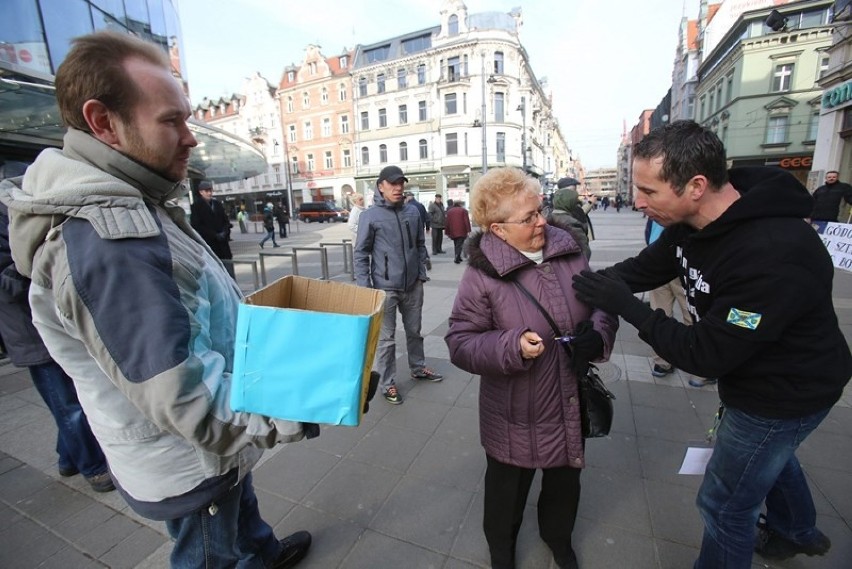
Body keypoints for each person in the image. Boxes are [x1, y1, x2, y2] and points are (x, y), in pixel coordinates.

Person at [0, 31, 313, 568]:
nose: (191, 138)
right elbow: (185, 398)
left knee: (241, 509)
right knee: (209, 552)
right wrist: (295, 408)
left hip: (214, 448)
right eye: (171, 121)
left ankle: (262, 552)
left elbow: (192, 313)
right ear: (103, 123)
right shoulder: (109, 240)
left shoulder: (137, 198)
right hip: (188, 459)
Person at [571, 120, 851, 568]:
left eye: (649, 191)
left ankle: (787, 531)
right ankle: (795, 530)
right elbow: (643, 268)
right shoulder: (690, 223)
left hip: (783, 394)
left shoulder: (773, 251)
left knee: (723, 505)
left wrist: (630, 308)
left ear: (696, 185)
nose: (638, 203)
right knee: (770, 458)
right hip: (756, 381)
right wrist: (571, 285)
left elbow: (705, 354)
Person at [445, 167, 618, 569]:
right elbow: (460, 341)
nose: (541, 221)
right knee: (506, 494)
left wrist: (597, 334)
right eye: (528, 218)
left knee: (564, 486)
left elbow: (601, 304)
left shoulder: (569, 249)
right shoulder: (481, 273)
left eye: (539, 211)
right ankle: (501, 551)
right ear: (498, 229)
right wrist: (511, 345)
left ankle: (559, 541)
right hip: (513, 410)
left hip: (567, 399)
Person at [0, 200, 114, 493]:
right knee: (67, 403)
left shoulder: (22, 219)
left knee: (70, 398)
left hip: (46, 327)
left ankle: (68, 458)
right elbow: (9, 284)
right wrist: (40, 265)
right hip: (31, 334)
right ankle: (94, 467)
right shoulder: (16, 228)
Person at [354, 165, 443, 405]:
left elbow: (419, 244)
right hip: (385, 287)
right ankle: (387, 382)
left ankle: (418, 367)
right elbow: (361, 254)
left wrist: (421, 273)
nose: (398, 188)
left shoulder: (412, 212)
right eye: (392, 184)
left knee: (415, 331)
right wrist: (367, 288)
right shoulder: (369, 216)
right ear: (381, 186)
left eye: (401, 183)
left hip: (413, 284)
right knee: (386, 340)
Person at [190, 180, 234, 278]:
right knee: (216, 273)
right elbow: (197, 226)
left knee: (229, 271)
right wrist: (214, 235)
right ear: (201, 192)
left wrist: (225, 232)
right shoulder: (196, 206)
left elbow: (226, 221)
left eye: (210, 190)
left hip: (223, 245)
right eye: (207, 191)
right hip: (210, 244)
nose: (210, 193)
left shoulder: (217, 204)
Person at [549, 179, 592, 259]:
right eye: (572, 190)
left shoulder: (548, 215)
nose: (575, 193)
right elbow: (584, 251)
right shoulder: (572, 223)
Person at [405, 191, 431, 269]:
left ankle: (415, 260)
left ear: (408, 197)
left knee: (412, 244)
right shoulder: (420, 205)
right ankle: (425, 257)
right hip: (420, 227)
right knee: (420, 243)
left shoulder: (407, 207)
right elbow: (427, 218)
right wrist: (427, 228)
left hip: (409, 228)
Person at [444, 199, 471, 264]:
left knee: (456, 244)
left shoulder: (449, 211)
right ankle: (457, 257)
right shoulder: (463, 211)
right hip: (462, 230)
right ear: (460, 204)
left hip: (453, 230)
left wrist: (447, 231)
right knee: (459, 244)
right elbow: (466, 221)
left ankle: (458, 257)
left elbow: (447, 222)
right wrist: (468, 230)